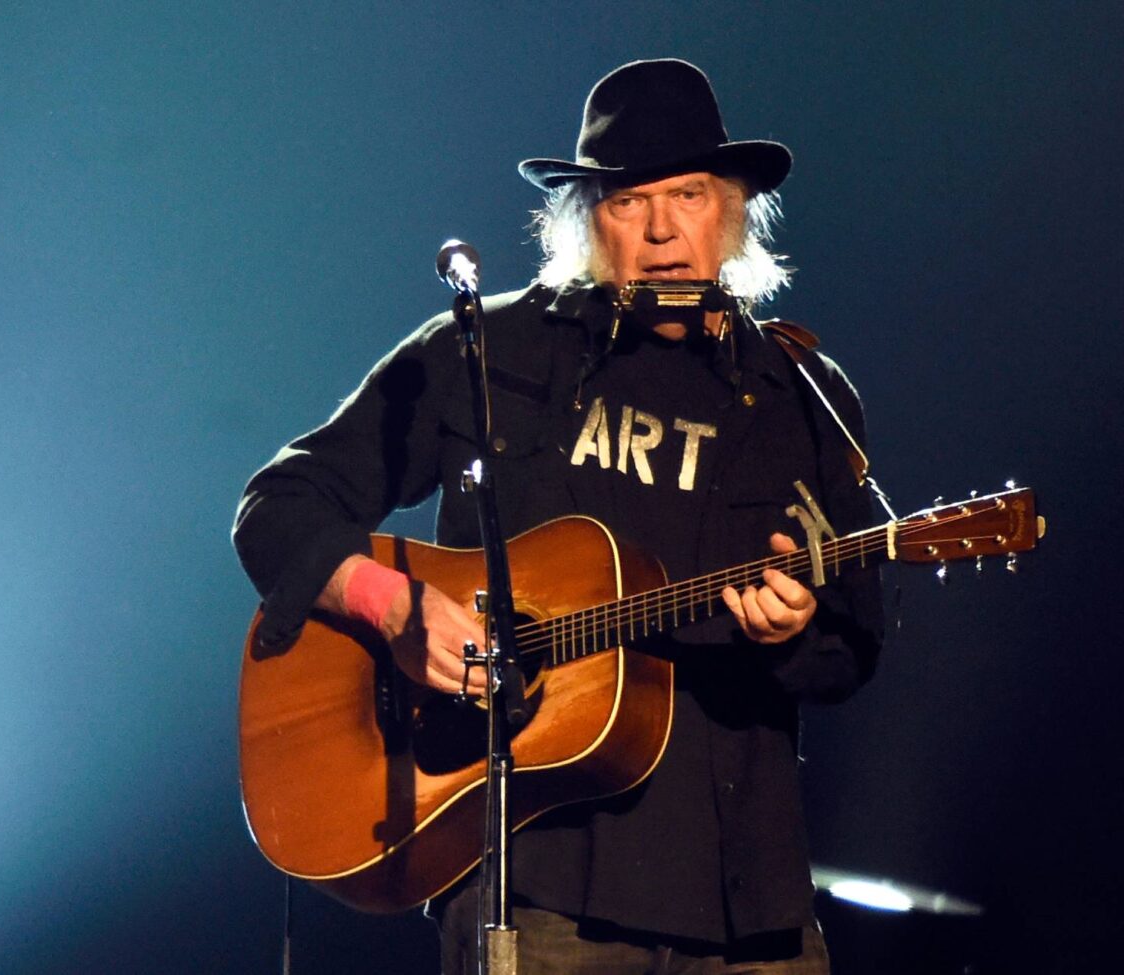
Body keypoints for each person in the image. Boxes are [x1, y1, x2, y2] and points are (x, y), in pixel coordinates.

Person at [233, 58, 883, 974]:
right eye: (629, 201)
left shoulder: (801, 396)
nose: (662, 230)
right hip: (538, 899)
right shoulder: (487, 351)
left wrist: (797, 628)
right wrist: (395, 608)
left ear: (732, 209)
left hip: (753, 908)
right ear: (587, 218)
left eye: (689, 194)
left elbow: (858, 639)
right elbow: (279, 506)